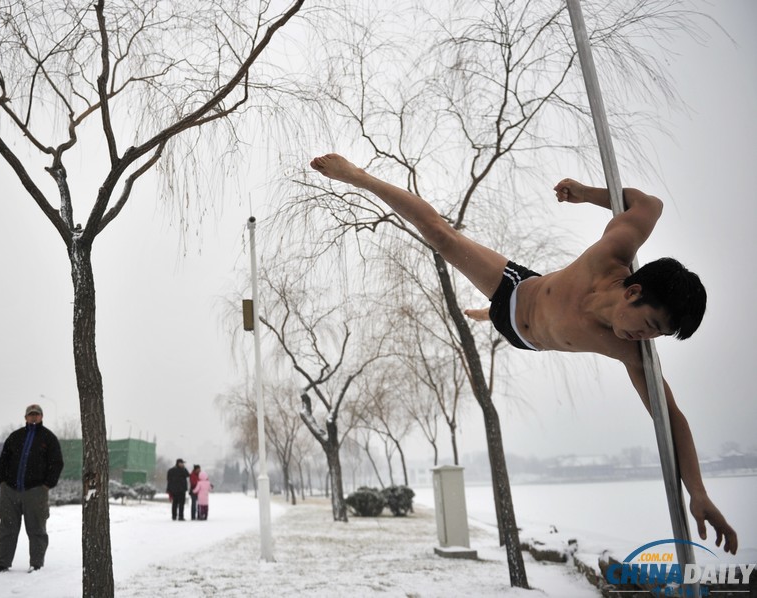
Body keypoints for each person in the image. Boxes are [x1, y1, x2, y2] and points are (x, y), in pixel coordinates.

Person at [309, 153, 738, 554]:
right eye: (650, 324)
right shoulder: (615, 248)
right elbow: (649, 203)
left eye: (658, 335)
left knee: (497, 314)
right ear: (634, 290)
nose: (645, 337)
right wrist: (587, 193)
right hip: (515, 289)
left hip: (522, 336)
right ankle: (359, 176)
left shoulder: (631, 352)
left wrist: (697, 491)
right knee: (442, 236)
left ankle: (486, 316)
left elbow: (671, 416)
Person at [0, 403, 64, 573]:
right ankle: (2, 563)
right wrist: (1, 481)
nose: (33, 417)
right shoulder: (15, 437)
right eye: (30, 414)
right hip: (10, 490)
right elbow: (3, 460)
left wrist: (46, 485)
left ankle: (36, 564)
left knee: (36, 529)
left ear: (41, 417)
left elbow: (56, 463)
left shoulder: (48, 438)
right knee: (7, 529)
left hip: (35, 491)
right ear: (25, 417)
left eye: (37, 414)